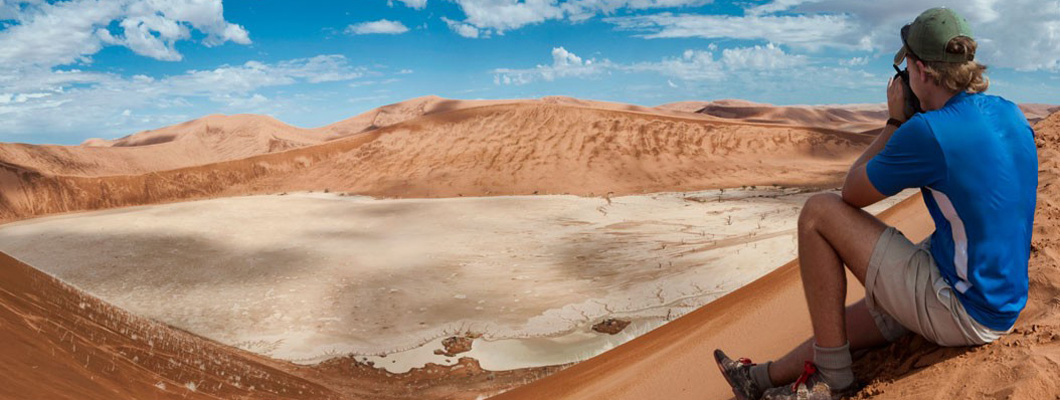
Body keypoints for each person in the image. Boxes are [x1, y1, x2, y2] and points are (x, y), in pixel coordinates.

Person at [713, 7, 1038, 400]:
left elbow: (850, 193)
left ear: (919, 71)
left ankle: (832, 381)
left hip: (963, 308)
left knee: (818, 212)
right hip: (997, 297)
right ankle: (759, 379)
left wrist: (894, 122)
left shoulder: (929, 132)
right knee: (847, 322)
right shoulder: (1009, 111)